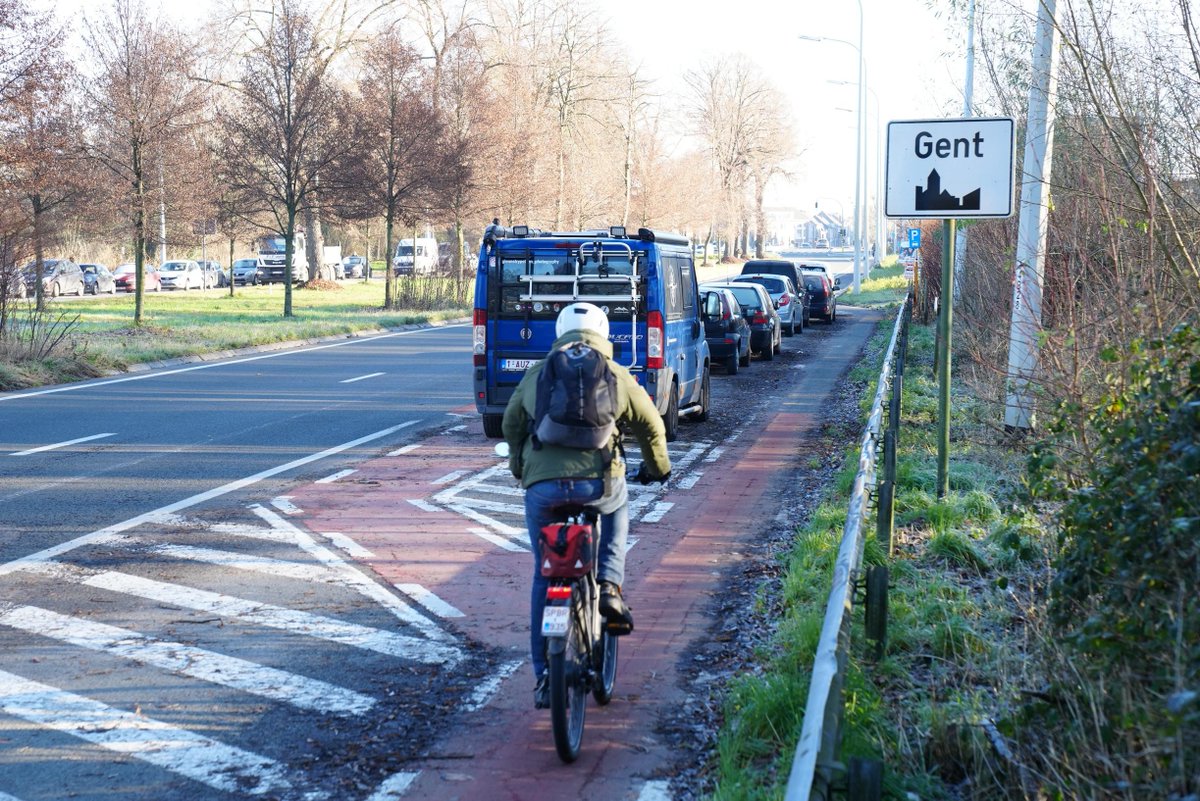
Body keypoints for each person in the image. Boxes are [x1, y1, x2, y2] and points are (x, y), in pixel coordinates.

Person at [502, 302, 671, 708]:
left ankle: (545, 677)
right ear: (603, 332)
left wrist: (520, 466)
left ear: (559, 332)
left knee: (545, 572)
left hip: (542, 489)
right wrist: (659, 469)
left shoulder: (540, 372)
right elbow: (650, 424)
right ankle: (610, 587)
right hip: (598, 483)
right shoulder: (616, 374)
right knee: (617, 510)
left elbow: (510, 422)